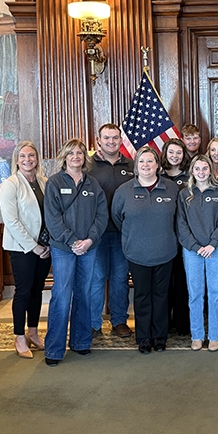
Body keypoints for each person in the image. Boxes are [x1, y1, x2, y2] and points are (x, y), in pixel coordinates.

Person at [43, 139, 109, 367]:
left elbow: (102, 216)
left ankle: (81, 342)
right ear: (64, 157)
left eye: (80, 153)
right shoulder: (54, 183)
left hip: (88, 249)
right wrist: (72, 241)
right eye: (71, 153)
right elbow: (52, 219)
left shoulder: (93, 184)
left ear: (85, 158)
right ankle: (54, 348)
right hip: (63, 249)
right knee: (62, 296)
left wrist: (89, 240)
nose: (76, 157)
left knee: (84, 293)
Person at [111, 147, 179, 354]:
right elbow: (117, 218)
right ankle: (143, 338)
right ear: (136, 166)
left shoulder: (171, 188)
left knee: (161, 296)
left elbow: (178, 219)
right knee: (141, 296)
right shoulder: (123, 191)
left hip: (165, 252)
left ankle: (159, 337)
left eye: (150, 161)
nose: (146, 165)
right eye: (142, 162)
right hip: (137, 253)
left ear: (158, 165)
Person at [0, 140, 52, 359]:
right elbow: (11, 221)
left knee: (37, 290)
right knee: (23, 291)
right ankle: (19, 336)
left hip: (45, 247)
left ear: (37, 158)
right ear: (16, 160)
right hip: (22, 249)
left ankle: (33, 332)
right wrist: (34, 247)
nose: (27, 160)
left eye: (31, 155)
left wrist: (46, 245)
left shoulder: (44, 182)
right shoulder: (11, 184)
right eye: (23, 156)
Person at [176, 155, 218, 351]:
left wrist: (212, 244)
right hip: (193, 252)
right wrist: (195, 246)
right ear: (192, 171)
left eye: (204, 169)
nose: (201, 172)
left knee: (216, 293)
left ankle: (215, 335)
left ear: (210, 170)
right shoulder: (184, 195)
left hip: (216, 250)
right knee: (195, 294)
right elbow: (181, 224)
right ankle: (197, 335)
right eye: (197, 169)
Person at [88, 124, 134, 339]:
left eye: (115, 138)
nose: (111, 142)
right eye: (106, 138)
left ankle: (119, 321)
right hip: (96, 234)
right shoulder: (89, 165)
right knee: (96, 278)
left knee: (120, 278)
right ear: (99, 140)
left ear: (121, 140)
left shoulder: (132, 165)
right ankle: (93, 323)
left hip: (124, 234)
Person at [161, 137, 191, 334]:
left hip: (185, 237)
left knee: (182, 281)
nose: (174, 156)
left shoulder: (190, 177)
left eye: (178, 152)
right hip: (162, 236)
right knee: (164, 282)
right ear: (165, 154)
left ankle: (182, 323)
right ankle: (164, 322)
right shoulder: (157, 175)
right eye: (171, 152)